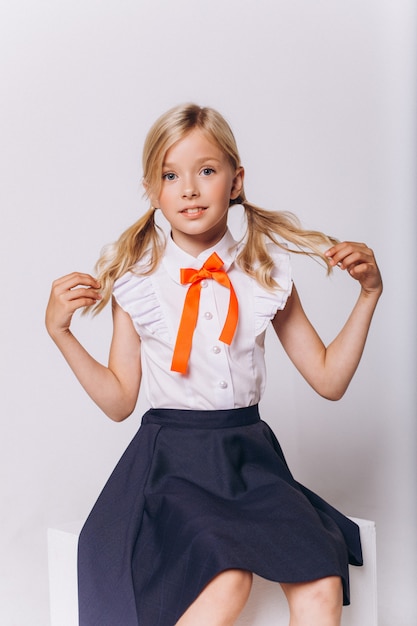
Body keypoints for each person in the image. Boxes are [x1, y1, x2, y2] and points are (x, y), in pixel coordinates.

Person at [45, 103, 382, 626]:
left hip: (250, 460)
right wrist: (60, 333)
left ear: (236, 181)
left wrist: (368, 295)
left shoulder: (266, 272)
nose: (189, 189)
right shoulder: (138, 279)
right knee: (227, 579)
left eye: (206, 170)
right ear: (153, 190)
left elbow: (328, 379)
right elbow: (118, 401)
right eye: (170, 175)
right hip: (171, 464)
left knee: (321, 577)